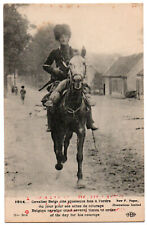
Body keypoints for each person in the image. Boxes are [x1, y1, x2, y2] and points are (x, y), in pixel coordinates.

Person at [43, 24, 97, 132]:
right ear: (58, 38)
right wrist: (54, 70)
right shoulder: (54, 52)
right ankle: (50, 123)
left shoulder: (74, 52)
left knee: (85, 96)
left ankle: (90, 121)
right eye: (61, 37)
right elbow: (45, 65)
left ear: (69, 38)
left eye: (66, 36)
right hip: (59, 81)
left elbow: (80, 63)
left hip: (73, 79)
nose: (63, 38)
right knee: (52, 99)